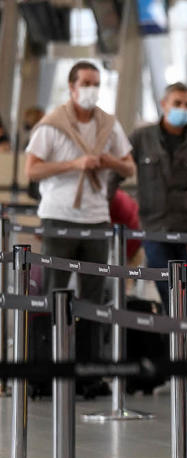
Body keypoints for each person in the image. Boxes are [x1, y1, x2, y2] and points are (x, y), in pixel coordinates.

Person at [25, 61, 135, 305]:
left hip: (96, 219)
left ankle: (90, 344)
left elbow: (129, 167)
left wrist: (110, 162)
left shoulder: (109, 125)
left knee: (94, 297)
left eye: (96, 84)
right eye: (86, 84)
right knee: (55, 292)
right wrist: (75, 164)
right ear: (72, 87)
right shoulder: (51, 125)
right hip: (59, 217)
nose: (91, 89)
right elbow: (32, 170)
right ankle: (54, 343)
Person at [129, 82, 187, 309]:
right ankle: (177, 342)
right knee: (167, 290)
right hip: (154, 228)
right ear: (164, 104)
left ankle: (185, 344)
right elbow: (117, 172)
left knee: (184, 293)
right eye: (177, 103)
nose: (183, 108)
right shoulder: (142, 138)